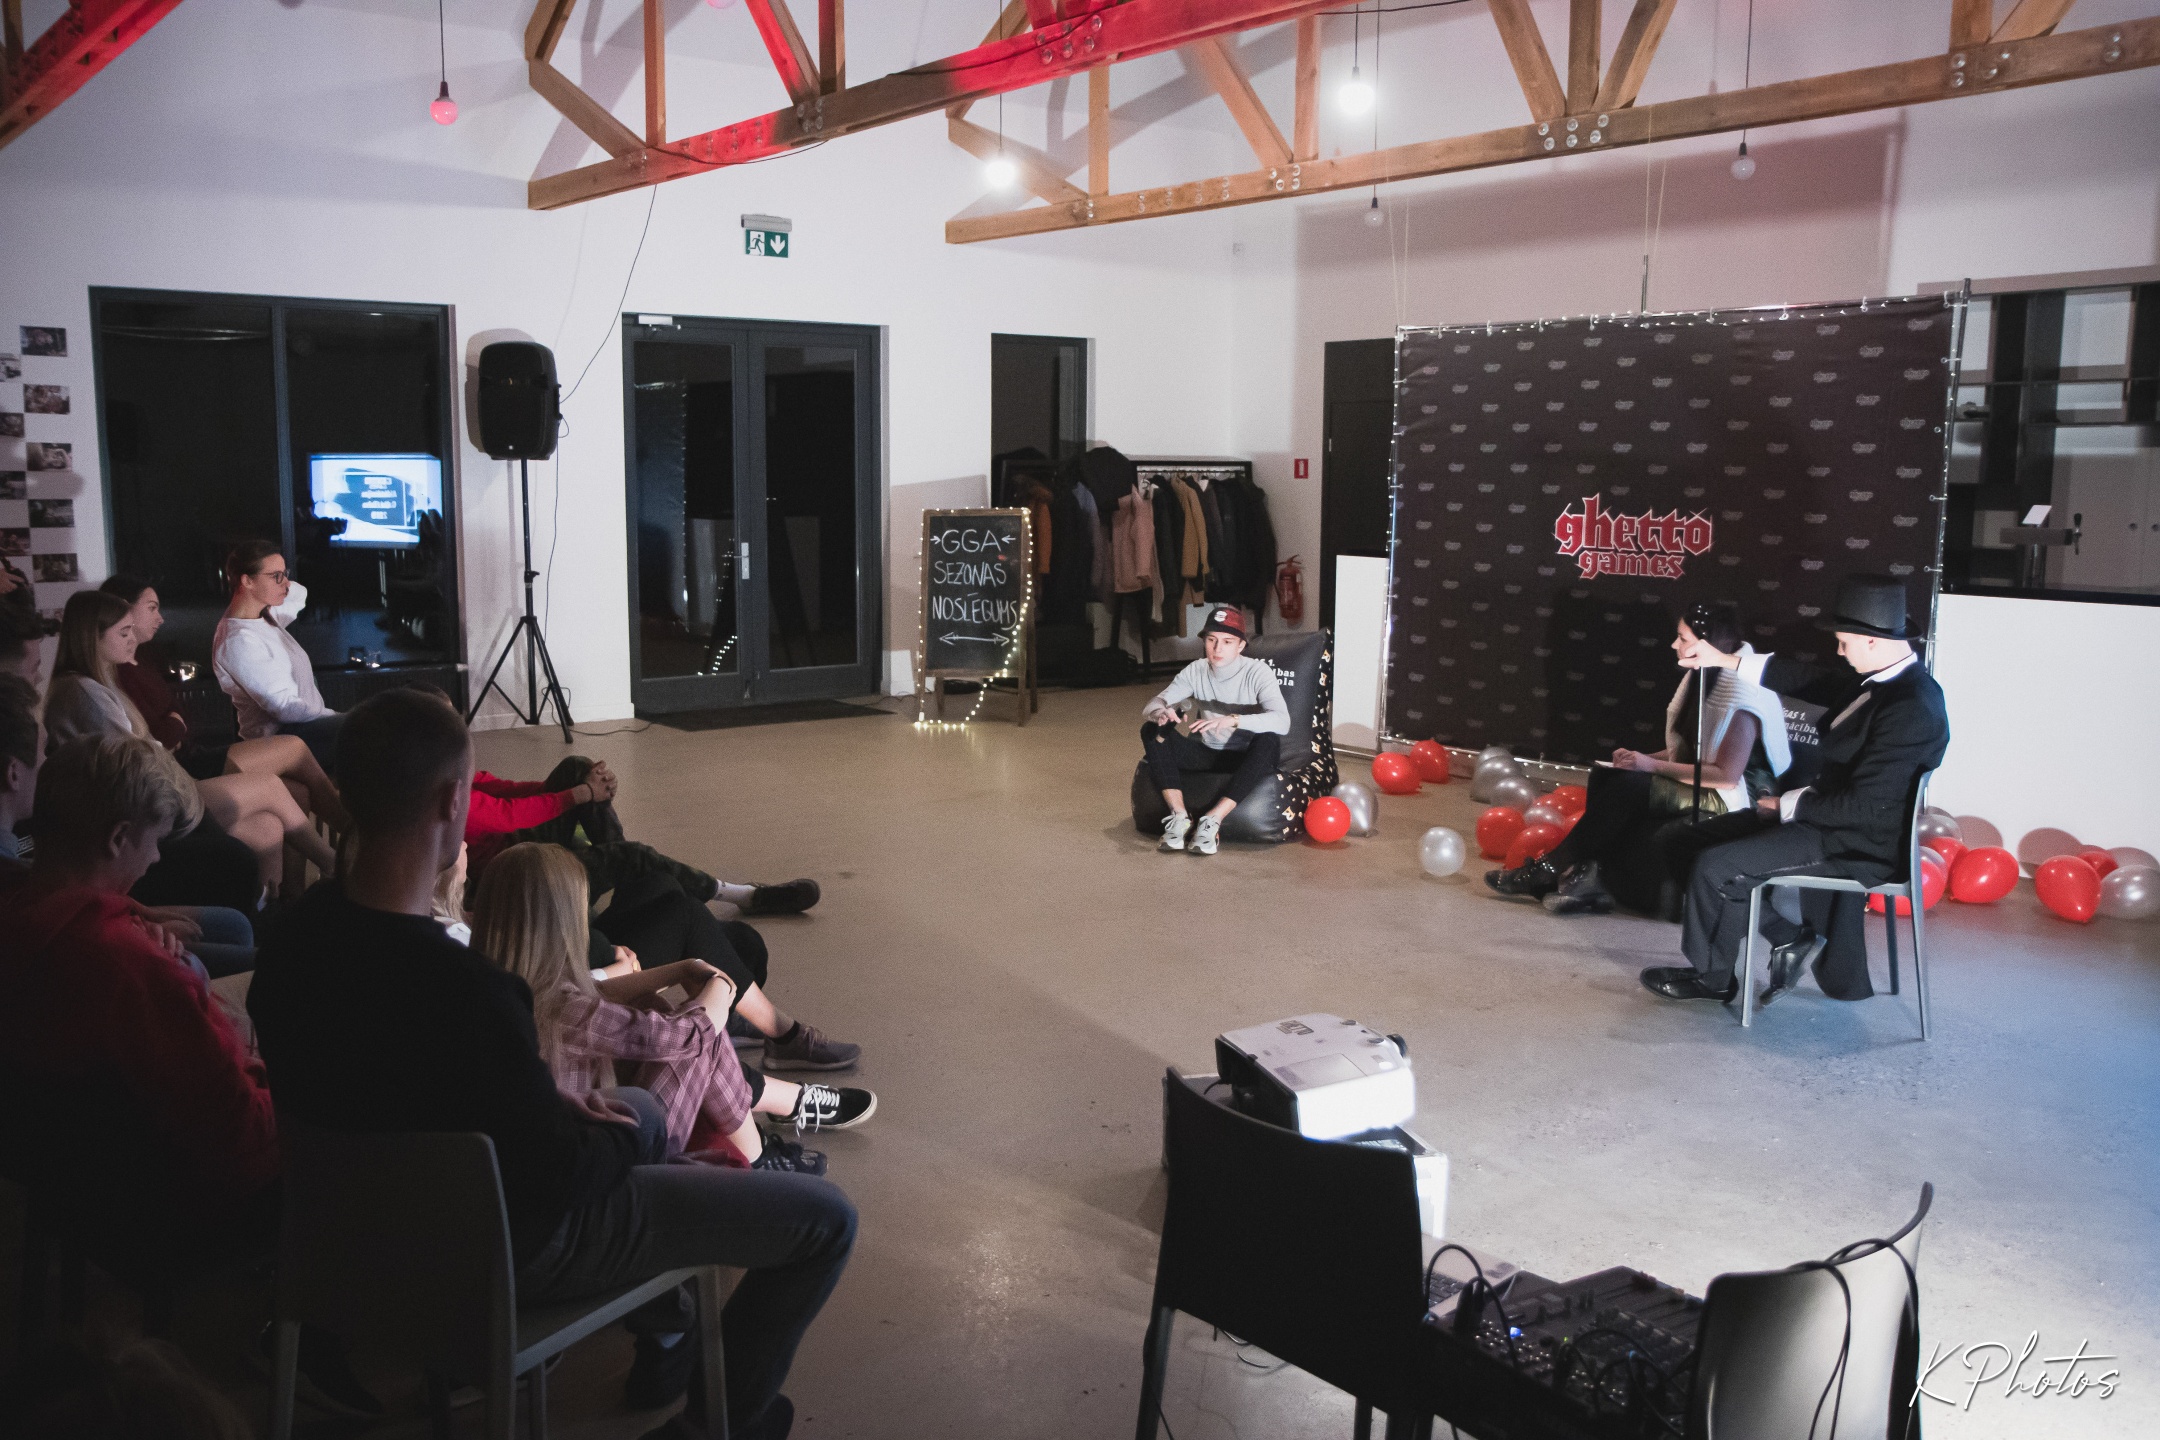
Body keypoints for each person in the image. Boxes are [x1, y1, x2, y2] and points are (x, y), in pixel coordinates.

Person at [247, 690, 856, 1440]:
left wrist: (564, 1116)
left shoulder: (291, 946)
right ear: (451, 803)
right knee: (822, 1220)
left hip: (341, 1241)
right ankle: (709, 1422)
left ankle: (671, 1319)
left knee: (639, 1110)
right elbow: (558, 1179)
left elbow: (403, 1100)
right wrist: (618, 1134)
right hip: (502, 1252)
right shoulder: (471, 992)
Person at [0, 733, 280, 1246]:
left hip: (70, 1179)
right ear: (118, 838)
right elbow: (241, 1145)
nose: (154, 859)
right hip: (172, 1207)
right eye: (155, 841)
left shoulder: (22, 914)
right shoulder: (127, 968)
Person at [1641, 575, 1950, 1008]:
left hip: (1855, 841)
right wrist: (1724, 659)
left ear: (1873, 641)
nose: (1838, 651)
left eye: (1844, 642)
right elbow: (1806, 679)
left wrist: (1788, 805)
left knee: (1716, 867)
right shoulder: (1877, 679)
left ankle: (1713, 979)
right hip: (1826, 819)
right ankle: (1789, 937)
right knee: (1682, 844)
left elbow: (1867, 808)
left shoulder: (1912, 706)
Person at [471, 843, 873, 1172]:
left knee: (661, 1003)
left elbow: (593, 992)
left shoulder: (503, 989)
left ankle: (769, 1129)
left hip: (585, 1136)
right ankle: (759, 1156)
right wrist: (719, 989)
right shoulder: (559, 1008)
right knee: (698, 1037)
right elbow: (685, 1038)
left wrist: (681, 968)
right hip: (623, 1158)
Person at [1485, 602, 1792, 916]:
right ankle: (1588, 878)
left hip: (1736, 796)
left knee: (1630, 788)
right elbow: (1690, 751)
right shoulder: (1705, 675)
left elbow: (1726, 776)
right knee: (1609, 775)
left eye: (1683, 638)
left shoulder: (1744, 692)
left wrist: (1650, 765)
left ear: (1708, 644)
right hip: (1712, 782)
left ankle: (1548, 871)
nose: (1673, 645)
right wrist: (1640, 759)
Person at [44, 591, 338, 892]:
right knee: (272, 783)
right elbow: (136, 760)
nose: (132, 638)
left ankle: (273, 906)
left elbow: (158, 733)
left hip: (158, 784)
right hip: (143, 803)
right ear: (91, 638)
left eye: (131, 629)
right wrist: (175, 755)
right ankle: (336, 864)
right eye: (123, 632)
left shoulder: (98, 684)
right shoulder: (83, 692)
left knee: (267, 826)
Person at [101, 574, 351, 833]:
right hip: (180, 765)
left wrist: (174, 721)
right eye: (152, 608)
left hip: (189, 752)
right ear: (123, 608)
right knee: (302, 745)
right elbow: (159, 735)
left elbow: (177, 714)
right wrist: (174, 723)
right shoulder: (121, 673)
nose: (160, 618)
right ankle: (352, 831)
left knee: (297, 791)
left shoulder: (143, 661)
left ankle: (340, 842)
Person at [468, 753, 821, 917]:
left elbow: (504, 791)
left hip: (510, 848)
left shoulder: (453, 773)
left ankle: (626, 879)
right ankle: (743, 896)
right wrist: (582, 794)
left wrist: (587, 784)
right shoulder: (446, 795)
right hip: (507, 880)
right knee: (632, 856)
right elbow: (506, 816)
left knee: (576, 768)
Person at [1140, 604, 1287, 856]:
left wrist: (1233, 720)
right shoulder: (1196, 670)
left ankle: (1212, 819)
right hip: (1205, 751)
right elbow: (1153, 704)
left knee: (1270, 740)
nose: (1217, 649)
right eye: (1211, 640)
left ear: (1240, 645)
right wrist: (1161, 713)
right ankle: (1180, 816)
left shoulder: (1257, 672)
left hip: (1243, 757)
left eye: (1227, 641)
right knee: (1151, 730)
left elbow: (1282, 721)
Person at [213, 539, 343, 771]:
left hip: (305, 728)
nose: (286, 583)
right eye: (276, 576)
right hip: (283, 738)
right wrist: (332, 717)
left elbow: (299, 594)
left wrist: (278, 577)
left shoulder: (265, 616)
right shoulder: (239, 640)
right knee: (374, 727)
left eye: (285, 574)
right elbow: (284, 708)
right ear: (247, 581)